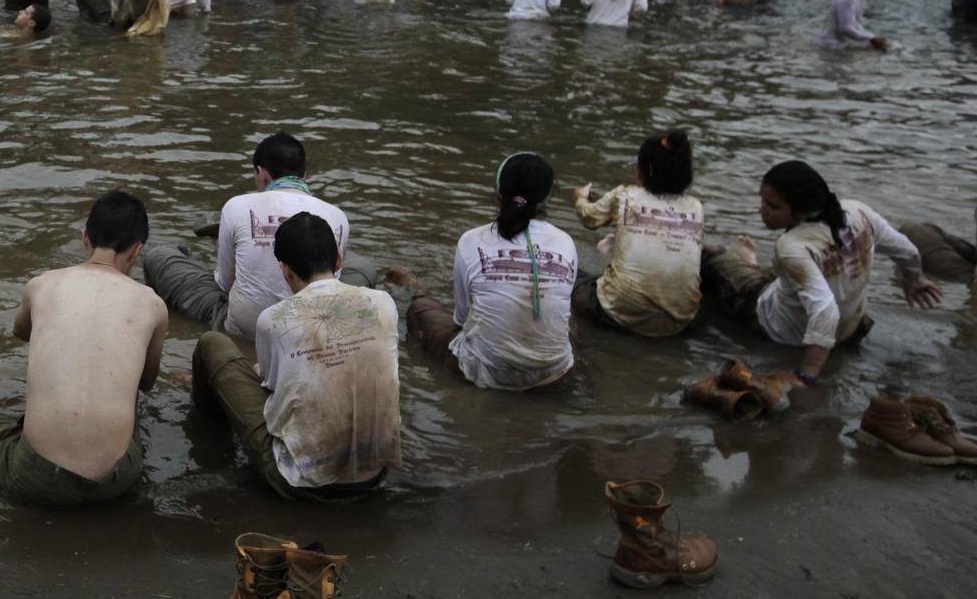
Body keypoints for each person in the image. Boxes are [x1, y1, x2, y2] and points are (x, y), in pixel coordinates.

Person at [0, 191, 167, 506]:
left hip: (37, 480)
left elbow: (21, 332)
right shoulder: (152, 304)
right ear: (137, 251)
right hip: (118, 480)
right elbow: (147, 383)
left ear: (85, 237)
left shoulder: (41, 285)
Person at [188, 213, 400, 500]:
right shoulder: (383, 303)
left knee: (212, 344)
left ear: (285, 270)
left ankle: (205, 439)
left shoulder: (274, 319)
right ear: (339, 260)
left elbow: (272, 389)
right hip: (373, 474)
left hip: (300, 480)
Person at [700, 160, 939, 381]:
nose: (762, 210)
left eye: (772, 206)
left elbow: (825, 311)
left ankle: (747, 263)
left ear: (801, 211)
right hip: (849, 329)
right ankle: (753, 265)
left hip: (778, 327)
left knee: (713, 257)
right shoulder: (858, 212)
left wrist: (808, 374)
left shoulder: (791, 245)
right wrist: (915, 279)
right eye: (762, 201)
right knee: (793, 276)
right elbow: (907, 250)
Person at [143, 132, 350, 340]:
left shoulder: (238, 205)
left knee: (159, 256)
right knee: (361, 268)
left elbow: (225, 284)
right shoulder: (337, 216)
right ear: (305, 175)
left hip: (244, 330)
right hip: (315, 327)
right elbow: (333, 281)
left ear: (262, 173)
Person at [398, 152, 577, 390]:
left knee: (421, 309)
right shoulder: (566, 242)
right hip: (555, 373)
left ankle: (418, 292)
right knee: (569, 322)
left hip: (485, 370)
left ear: (498, 192)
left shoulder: (472, 240)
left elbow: (461, 319)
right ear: (547, 198)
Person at [571, 131, 704, 336]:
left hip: (616, 313)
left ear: (641, 171)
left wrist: (580, 198)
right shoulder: (696, 208)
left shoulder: (625, 196)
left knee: (571, 275)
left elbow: (589, 218)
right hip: (679, 322)